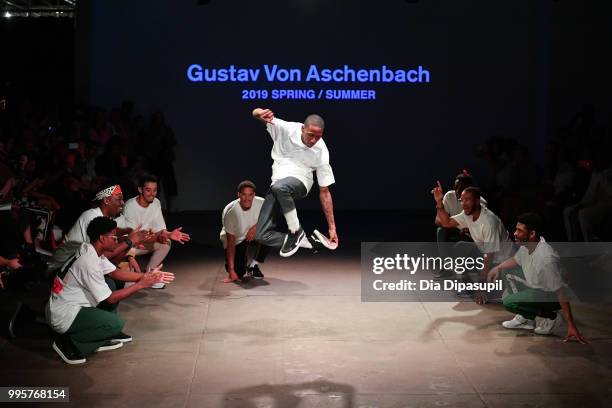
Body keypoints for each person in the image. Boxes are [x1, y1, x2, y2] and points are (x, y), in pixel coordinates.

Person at [46, 216, 175, 364]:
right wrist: (141, 284)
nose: (117, 240)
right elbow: (110, 298)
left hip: (65, 306)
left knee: (111, 282)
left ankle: (100, 336)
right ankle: (69, 344)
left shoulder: (91, 250)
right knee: (115, 324)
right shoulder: (89, 262)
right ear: (101, 238)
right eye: (114, 237)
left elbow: (115, 272)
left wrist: (146, 276)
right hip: (64, 315)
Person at [487, 213, 587, 343]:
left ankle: (551, 317)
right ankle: (527, 319)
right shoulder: (528, 245)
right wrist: (498, 267)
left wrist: (571, 325)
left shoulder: (546, 259)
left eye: (519, 230)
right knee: (508, 271)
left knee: (509, 302)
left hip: (551, 296)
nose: (515, 233)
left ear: (532, 234)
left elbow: (561, 292)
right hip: (538, 286)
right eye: (516, 229)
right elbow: (516, 260)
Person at [251, 108, 338, 257]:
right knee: (261, 235)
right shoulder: (286, 128)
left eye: (318, 137)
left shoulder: (322, 152)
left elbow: (324, 191)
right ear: (302, 128)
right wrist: (260, 113)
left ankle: (295, 230)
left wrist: (332, 227)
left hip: (301, 182)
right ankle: (307, 242)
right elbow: (256, 113)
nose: (313, 140)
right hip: (277, 184)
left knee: (281, 187)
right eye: (311, 135)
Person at [432, 182, 513, 304]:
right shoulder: (467, 214)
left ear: (477, 201)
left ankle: (495, 286)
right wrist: (439, 202)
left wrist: (481, 287)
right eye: (462, 200)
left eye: (468, 200)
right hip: (485, 253)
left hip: (501, 260)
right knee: (460, 247)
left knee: (496, 297)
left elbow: (489, 256)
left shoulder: (488, 222)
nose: (463, 204)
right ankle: (470, 286)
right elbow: (446, 223)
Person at [49, 184, 150, 273]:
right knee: (112, 283)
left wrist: (128, 242)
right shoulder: (91, 217)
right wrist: (130, 240)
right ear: (106, 200)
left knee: (116, 276)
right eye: (118, 199)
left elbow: (110, 250)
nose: (123, 203)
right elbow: (99, 255)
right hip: (61, 268)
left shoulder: (106, 219)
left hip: (76, 265)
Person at [122, 174, 190, 288]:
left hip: (143, 242)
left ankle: (150, 276)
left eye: (154, 190)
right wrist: (157, 236)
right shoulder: (130, 206)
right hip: (128, 246)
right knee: (126, 284)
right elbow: (131, 238)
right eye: (148, 190)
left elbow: (160, 230)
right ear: (140, 190)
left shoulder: (156, 203)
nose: (152, 194)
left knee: (166, 243)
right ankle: (135, 275)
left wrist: (169, 234)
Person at [220, 180, 270, 282]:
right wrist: (231, 270)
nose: (247, 198)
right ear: (238, 195)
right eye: (244, 195)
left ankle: (253, 265)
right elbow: (231, 243)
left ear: (254, 195)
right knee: (239, 274)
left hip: (252, 235)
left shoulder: (262, 203)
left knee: (269, 235)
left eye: (250, 195)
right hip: (236, 240)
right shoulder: (230, 212)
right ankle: (237, 266)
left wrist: (255, 227)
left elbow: (270, 218)